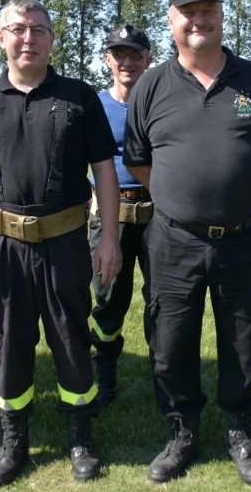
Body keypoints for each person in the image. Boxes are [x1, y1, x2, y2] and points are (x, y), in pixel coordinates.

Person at [123, 0, 251, 485]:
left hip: (244, 239)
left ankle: (241, 429)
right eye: (188, 11)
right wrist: (184, 199)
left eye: (208, 10)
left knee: (245, 340)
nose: (199, 20)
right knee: (170, 342)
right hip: (173, 240)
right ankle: (182, 431)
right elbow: (139, 161)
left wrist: (232, 195)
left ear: (221, 15)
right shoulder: (151, 85)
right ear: (171, 19)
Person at [0, 0, 122, 486]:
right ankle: (14, 440)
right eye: (19, 29)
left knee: (71, 338)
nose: (29, 39)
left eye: (39, 30)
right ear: (1, 37)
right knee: (7, 341)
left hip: (65, 241)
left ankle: (80, 437)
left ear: (51, 38)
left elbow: (105, 172)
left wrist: (109, 238)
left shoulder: (79, 96)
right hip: (0, 244)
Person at [89, 24, 153, 408]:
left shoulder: (161, 102)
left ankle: (165, 377)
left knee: (162, 300)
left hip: (157, 214)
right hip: (111, 217)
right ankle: (106, 377)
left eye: (135, 54)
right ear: (108, 60)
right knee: (108, 299)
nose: (127, 62)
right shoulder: (94, 105)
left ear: (148, 59)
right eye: (119, 54)